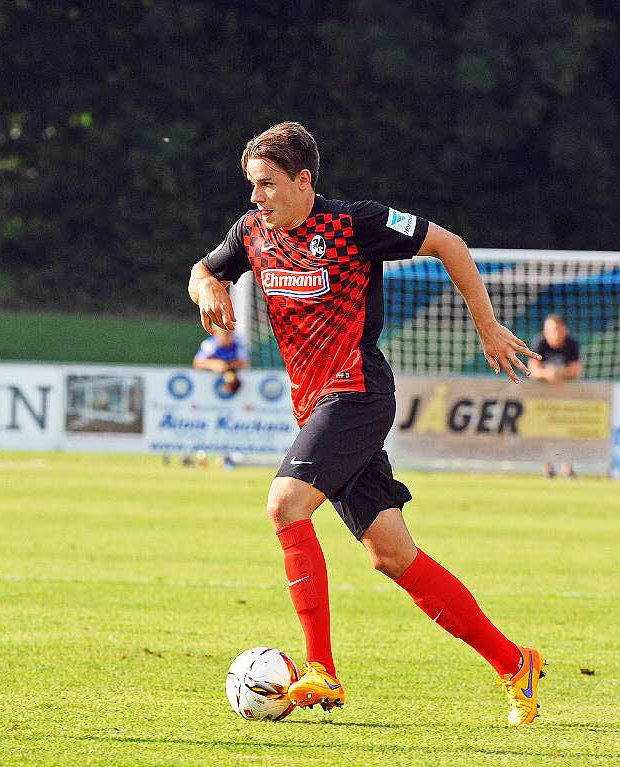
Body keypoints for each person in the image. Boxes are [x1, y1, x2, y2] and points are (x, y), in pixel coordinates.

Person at [188, 122, 546, 726]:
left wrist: (487, 328)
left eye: (268, 185)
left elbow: (451, 245)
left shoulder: (356, 224)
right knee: (392, 556)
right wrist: (206, 287)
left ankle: (320, 670)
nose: (257, 198)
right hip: (315, 405)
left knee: (284, 506)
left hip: (357, 391)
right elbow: (206, 267)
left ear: (304, 182)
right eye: (252, 186)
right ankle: (517, 663)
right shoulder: (251, 233)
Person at [193, 325, 249, 394]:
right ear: (216, 333)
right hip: (210, 382)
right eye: (223, 334)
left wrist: (227, 366)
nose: (226, 337)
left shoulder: (238, 342)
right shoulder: (210, 344)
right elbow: (197, 363)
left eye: (229, 333)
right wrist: (213, 364)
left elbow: (244, 362)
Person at [529, 314, 581, 383]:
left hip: (566, 386)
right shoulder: (540, 342)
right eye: (549, 331)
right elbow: (532, 371)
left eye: (557, 330)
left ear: (565, 330)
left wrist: (559, 372)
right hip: (543, 385)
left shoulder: (572, 343)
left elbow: (575, 371)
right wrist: (547, 373)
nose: (555, 334)